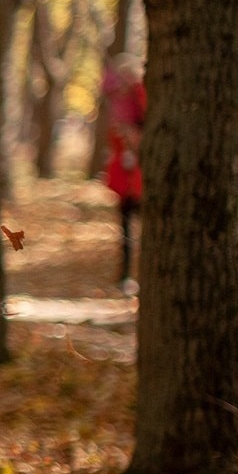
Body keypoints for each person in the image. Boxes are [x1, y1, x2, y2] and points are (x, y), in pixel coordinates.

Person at [101, 54, 146, 295]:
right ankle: (126, 275)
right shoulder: (118, 106)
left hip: (140, 178)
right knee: (126, 227)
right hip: (125, 178)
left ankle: (137, 274)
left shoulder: (140, 97)